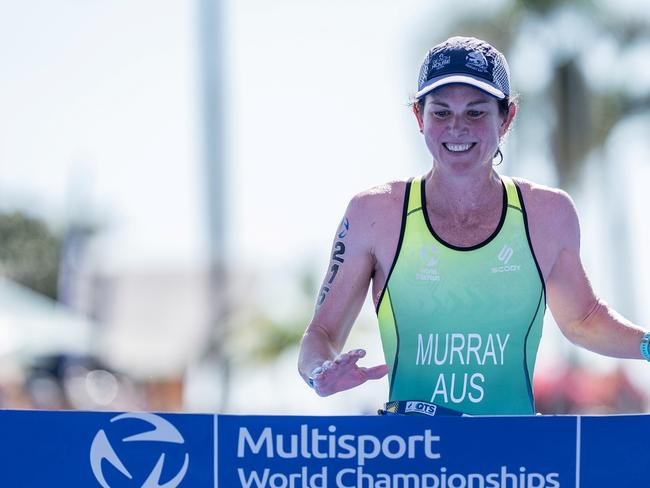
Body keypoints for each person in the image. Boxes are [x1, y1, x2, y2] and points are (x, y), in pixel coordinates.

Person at [297, 36, 650, 416]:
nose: (457, 128)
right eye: (442, 113)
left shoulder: (547, 214)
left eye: (476, 113)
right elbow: (320, 335)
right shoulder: (374, 214)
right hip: (414, 461)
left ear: (507, 118)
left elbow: (583, 319)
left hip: (513, 465)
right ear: (419, 117)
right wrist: (320, 374)